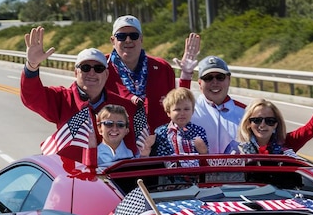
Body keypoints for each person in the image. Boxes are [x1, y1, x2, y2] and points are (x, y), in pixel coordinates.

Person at [105, 15, 201, 152]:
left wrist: (186, 75)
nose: (128, 40)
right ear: (113, 40)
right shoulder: (99, 68)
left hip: (159, 149)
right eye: (121, 36)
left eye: (133, 35)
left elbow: (179, 105)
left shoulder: (162, 68)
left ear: (141, 39)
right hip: (115, 151)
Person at [21, 26, 132, 135]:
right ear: (76, 72)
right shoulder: (62, 99)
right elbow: (32, 97)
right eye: (85, 68)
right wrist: (32, 66)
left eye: (98, 69)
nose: (92, 73)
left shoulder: (122, 106)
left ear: (106, 74)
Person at [236, 74, 313, 155]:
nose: (263, 125)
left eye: (270, 121)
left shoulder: (287, 143)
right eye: (257, 120)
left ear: (276, 124)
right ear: (248, 123)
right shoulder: (238, 148)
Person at [178, 55, 246, 154]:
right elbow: (178, 104)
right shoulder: (191, 110)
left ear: (229, 80)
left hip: (235, 169)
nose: (215, 82)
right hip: (200, 169)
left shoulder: (245, 112)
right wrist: (186, 75)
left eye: (220, 77)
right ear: (200, 83)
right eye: (208, 78)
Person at [152, 88, 209, 159]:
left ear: (192, 111)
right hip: (170, 169)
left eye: (186, 109)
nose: (182, 113)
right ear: (168, 112)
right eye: (177, 109)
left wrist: (204, 152)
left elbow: (205, 160)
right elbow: (159, 157)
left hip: (194, 169)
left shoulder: (199, 131)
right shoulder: (161, 132)